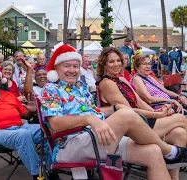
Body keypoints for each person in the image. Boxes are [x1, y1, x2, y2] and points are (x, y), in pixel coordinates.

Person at [40, 45, 187, 180]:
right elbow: (56, 124)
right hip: (70, 146)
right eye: (66, 66)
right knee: (126, 115)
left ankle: (167, 152)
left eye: (75, 66)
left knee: (153, 151)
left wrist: (114, 108)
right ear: (56, 69)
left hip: (101, 140)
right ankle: (170, 152)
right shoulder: (50, 89)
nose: (72, 70)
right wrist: (90, 119)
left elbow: (95, 111)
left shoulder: (81, 88)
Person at [96, 47, 187, 179]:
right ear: (104, 64)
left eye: (118, 60)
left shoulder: (121, 79)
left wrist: (158, 111)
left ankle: (174, 177)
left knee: (180, 133)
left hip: (143, 119)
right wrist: (157, 115)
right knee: (181, 119)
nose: (116, 64)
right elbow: (127, 110)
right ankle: (172, 157)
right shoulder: (107, 83)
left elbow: (139, 102)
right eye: (111, 62)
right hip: (130, 128)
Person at [0, 62, 56, 180]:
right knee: (23, 135)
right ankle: (39, 174)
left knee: (48, 129)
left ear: (0, 80)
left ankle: (52, 169)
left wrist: (33, 110)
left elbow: (25, 114)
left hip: (20, 127)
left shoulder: (9, 95)